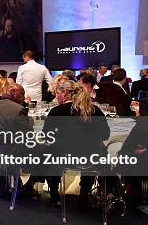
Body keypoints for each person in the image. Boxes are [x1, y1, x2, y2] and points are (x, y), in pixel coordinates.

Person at [43, 80, 110, 208]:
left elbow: (47, 135)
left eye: (58, 93)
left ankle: (53, 190)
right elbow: (105, 135)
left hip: (63, 159)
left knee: (50, 152)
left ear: (65, 93)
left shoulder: (56, 112)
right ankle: (84, 192)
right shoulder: (95, 111)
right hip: (91, 159)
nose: (56, 96)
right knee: (97, 151)